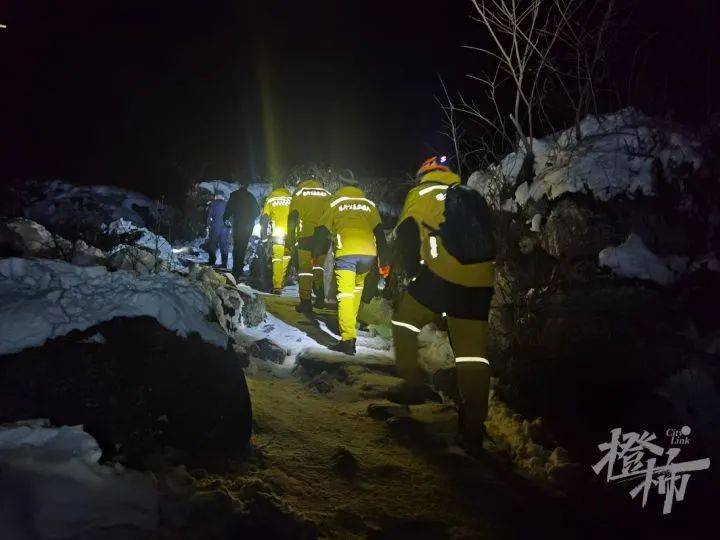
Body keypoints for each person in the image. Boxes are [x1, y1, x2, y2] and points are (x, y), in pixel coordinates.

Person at [390, 156, 495, 450]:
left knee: (404, 321)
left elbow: (407, 236)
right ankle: (473, 427)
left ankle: (412, 383)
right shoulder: (466, 195)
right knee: (472, 356)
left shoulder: (419, 194)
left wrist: (414, 276)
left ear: (423, 174)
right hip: (481, 279)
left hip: (441, 273)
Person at [313, 170, 389, 355]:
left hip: (347, 252)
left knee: (345, 295)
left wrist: (316, 253)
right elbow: (379, 232)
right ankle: (350, 328)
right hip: (368, 255)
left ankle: (348, 339)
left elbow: (322, 230)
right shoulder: (368, 204)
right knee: (355, 290)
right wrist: (384, 260)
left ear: (341, 185)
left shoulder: (336, 202)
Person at [287, 177, 332, 313]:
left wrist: (290, 237)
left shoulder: (299, 195)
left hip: (306, 237)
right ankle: (320, 298)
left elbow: (292, 217)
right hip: (324, 238)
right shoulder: (327, 195)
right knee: (319, 268)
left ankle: (306, 302)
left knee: (305, 270)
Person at [223, 182, 260, 278]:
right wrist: (250, 218)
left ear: (239, 185)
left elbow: (229, 208)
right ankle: (239, 269)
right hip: (248, 226)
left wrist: (225, 218)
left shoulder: (234, 195)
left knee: (237, 246)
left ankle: (235, 269)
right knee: (243, 247)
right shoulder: (251, 197)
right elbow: (257, 211)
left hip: (238, 225)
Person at [260, 185, 292, 294]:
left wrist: (263, 237)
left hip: (278, 232)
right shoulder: (290, 198)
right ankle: (280, 281)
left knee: (277, 259)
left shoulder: (271, 197)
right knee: (286, 257)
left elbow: (264, 218)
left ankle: (277, 285)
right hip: (290, 233)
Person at [206, 190, 230, 268]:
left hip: (215, 227)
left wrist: (208, 225)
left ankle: (212, 261)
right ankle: (224, 263)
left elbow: (209, 216)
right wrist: (229, 227)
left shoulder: (212, 204)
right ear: (223, 196)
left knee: (212, 244)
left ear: (216, 196)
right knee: (224, 245)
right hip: (224, 229)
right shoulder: (227, 204)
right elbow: (230, 217)